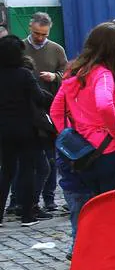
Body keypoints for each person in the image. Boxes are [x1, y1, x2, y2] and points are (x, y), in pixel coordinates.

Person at [50, 22, 115, 244]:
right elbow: (105, 105)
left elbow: (55, 109)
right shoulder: (104, 74)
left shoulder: (74, 73)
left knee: (89, 209)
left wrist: (68, 137)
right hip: (110, 151)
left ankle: (89, 251)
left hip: (81, 153)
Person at [0, 36, 51, 226]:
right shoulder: (24, 74)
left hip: (4, 129)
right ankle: (27, 214)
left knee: (6, 171)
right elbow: (38, 97)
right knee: (28, 169)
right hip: (26, 129)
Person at [22, 12, 67, 217]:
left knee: (50, 157)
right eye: (36, 33)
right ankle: (20, 200)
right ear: (30, 27)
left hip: (49, 110)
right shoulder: (21, 48)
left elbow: (66, 75)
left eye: (43, 34)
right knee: (26, 159)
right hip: (26, 109)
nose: (39, 37)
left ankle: (49, 200)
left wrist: (54, 76)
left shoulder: (56, 50)